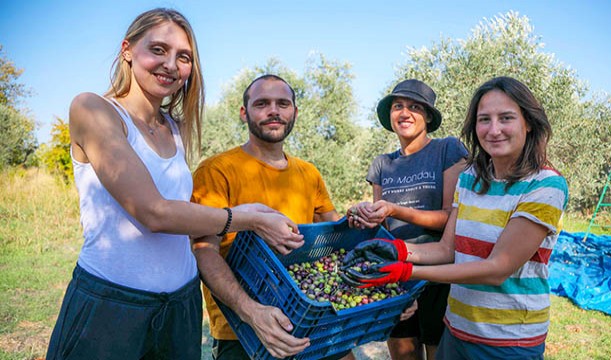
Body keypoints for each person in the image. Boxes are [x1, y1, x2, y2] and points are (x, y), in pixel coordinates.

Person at [46, 9, 308, 360]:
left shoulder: (176, 127)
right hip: (112, 303)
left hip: (181, 306)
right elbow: (154, 213)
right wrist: (248, 217)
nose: (171, 64)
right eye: (158, 49)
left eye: (183, 57)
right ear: (127, 50)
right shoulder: (93, 109)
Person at [342, 76, 569, 360]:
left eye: (506, 118)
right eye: (484, 119)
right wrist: (397, 250)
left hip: (508, 341)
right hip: (457, 329)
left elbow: (497, 268)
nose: (494, 129)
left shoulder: (545, 185)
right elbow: (446, 249)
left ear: (529, 123)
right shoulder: (471, 178)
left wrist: (406, 271)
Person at [191, 74, 356, 360]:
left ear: (294, 111)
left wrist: (361, 219)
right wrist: (251, 312)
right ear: (244, 113)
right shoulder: (215, 171)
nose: (274, 111)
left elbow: (339, 237)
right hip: (243, 330)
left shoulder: (309, 173)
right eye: (262, 103)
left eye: (283, 103)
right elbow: (204, 251)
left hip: (309, 319)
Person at [347, 79, 468, 360]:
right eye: (398, 106)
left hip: (440, 274)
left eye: (415, 107)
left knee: (440, 353)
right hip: (395, 274)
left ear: (427, 116)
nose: (405, 112)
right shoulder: (381, 164)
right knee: (403, 353)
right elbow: (383, 227)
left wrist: (395, 209)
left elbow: (452, 219)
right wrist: (363, 216)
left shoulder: (447, 150)